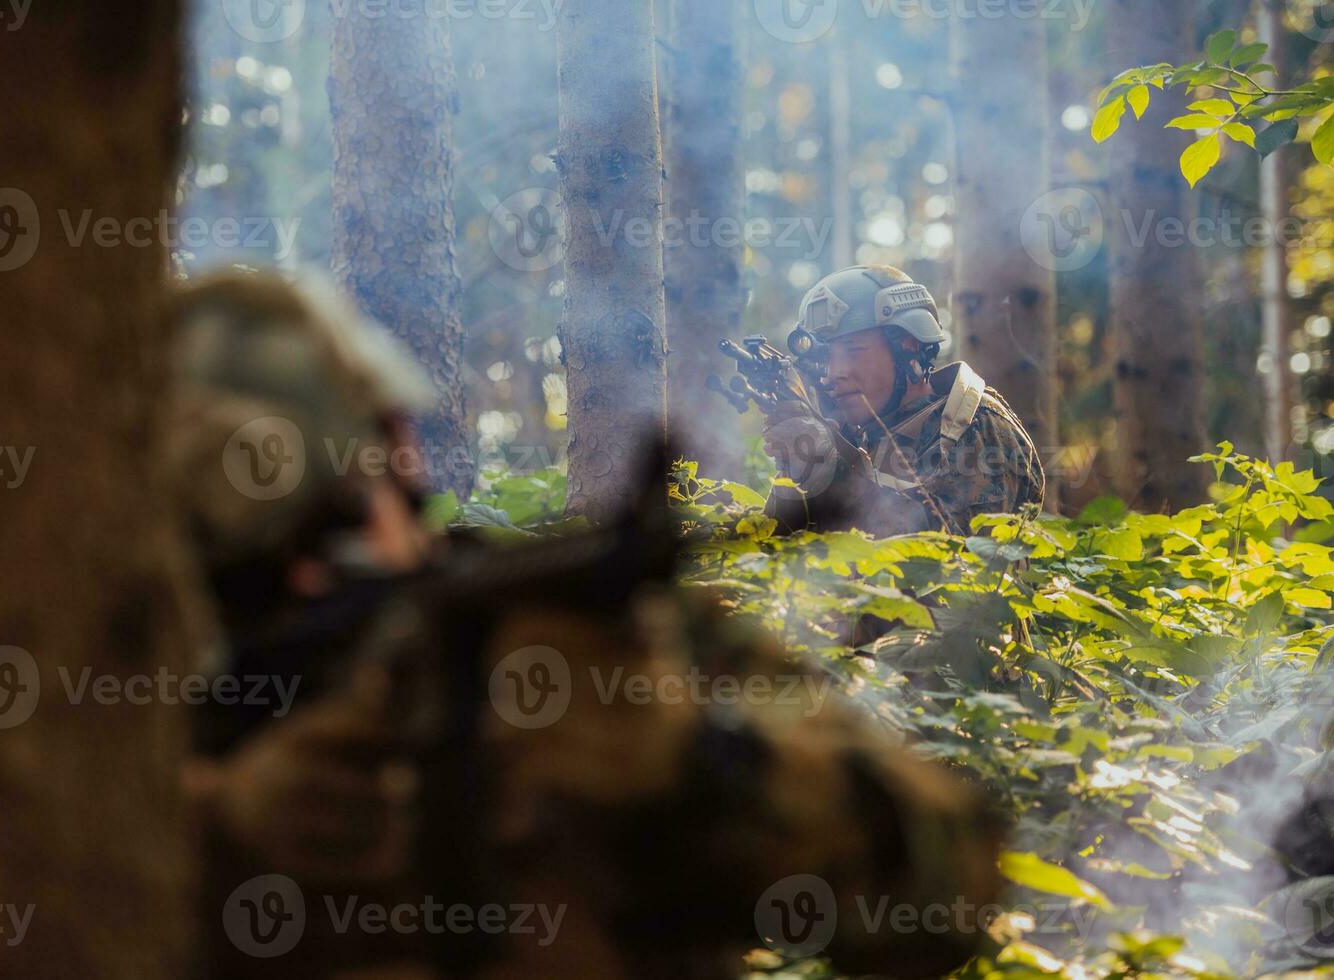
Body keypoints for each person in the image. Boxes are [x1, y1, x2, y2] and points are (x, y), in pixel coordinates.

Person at [163, 267, 1005, 978]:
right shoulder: (132, 687)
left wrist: (700, 770)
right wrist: (220, 831)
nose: (310, 579)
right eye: (246, 576)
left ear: (396, 459)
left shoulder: (577, 632)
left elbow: (951, 887)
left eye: (328, 529)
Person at [762, 265, 1045, 537]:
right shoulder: (861, 436)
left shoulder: (976, 424)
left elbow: (947, 561)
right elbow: (782, 556)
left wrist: (830, 471)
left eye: (853, 351)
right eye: (827, 358)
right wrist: (798, 472)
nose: (834, 374)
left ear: (907, 346)